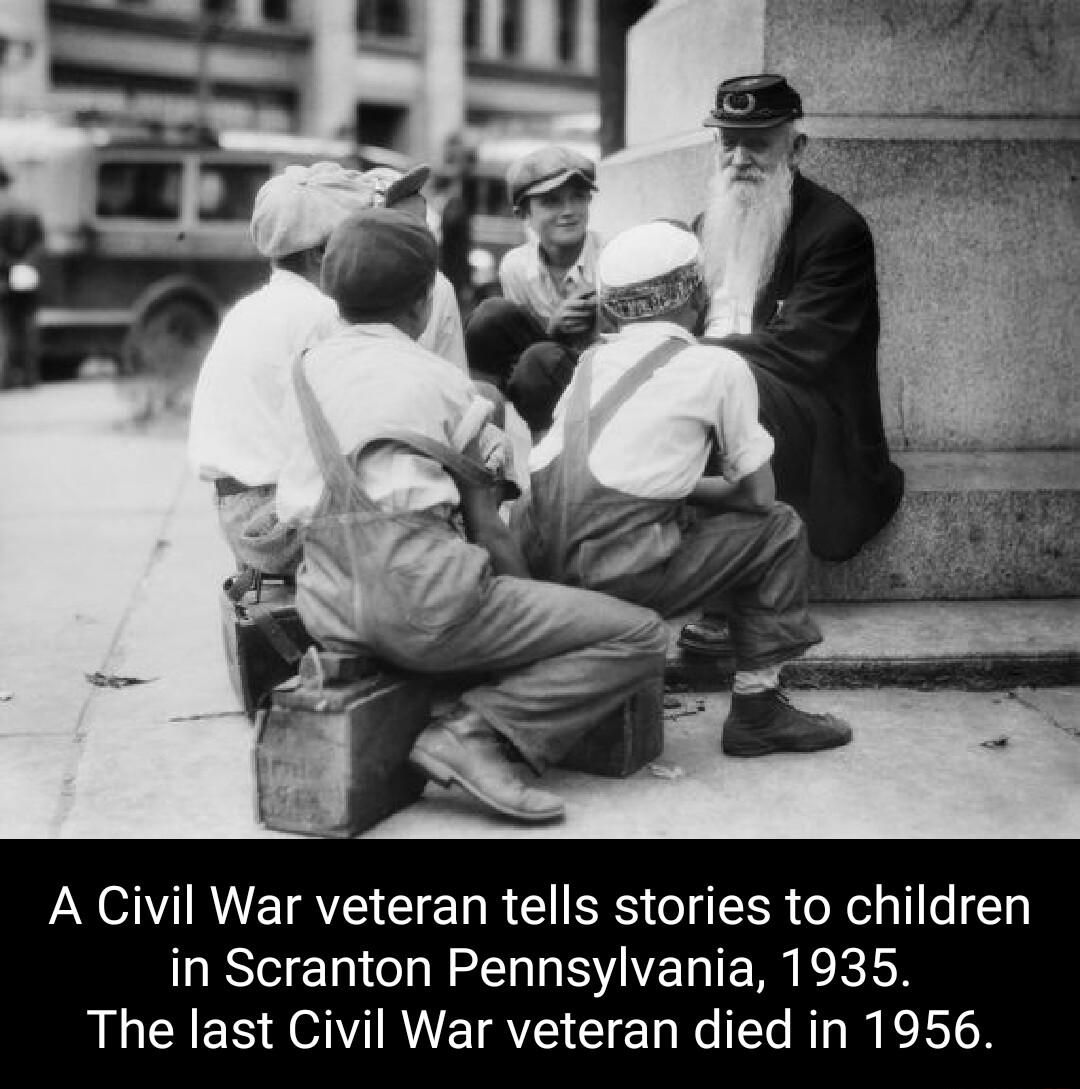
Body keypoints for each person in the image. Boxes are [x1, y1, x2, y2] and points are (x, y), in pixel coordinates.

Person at [275, 207, 669, 823]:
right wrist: (538, 612)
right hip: (425, 606)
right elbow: (488, 528)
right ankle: (473, 735)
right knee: (641, 633)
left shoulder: (301, 374)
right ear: (423, 303)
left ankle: (448, 706)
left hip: (327, 607)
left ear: (333, 296)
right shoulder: (445, 384)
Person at [517, 220, 851, 757]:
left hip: (548, 567)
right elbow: (757, 497)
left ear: (613, 308)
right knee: (781, 528)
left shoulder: (590, 363)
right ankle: (757, 710)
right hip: (620, 577)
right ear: (696, 295)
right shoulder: (717, 366)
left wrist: (676, 486)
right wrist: (691, 487)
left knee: (678, 510)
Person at [680, 73, 904, 656]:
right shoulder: (707, 224)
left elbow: (800, 348)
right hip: (709, 384)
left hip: (808, 412)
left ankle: (729, 598)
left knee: (734, 386)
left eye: (757, 141)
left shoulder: (837, 230)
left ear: (796, 147)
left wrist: (686, 363)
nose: (739, 158)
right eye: (727, 141)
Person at [188, 160, 467, 577]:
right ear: (323, 252)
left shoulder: (252, 308)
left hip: (240, 508)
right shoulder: (321, 316)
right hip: (276, 520)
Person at [464, 145, 603, 436]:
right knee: (490, 315)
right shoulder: (515, 266)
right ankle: (486, 422)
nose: (568, 212)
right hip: (537, 380)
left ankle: (542, 456)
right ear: (523, 213)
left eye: (578, 198)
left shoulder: (611, 257)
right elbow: (517, 355)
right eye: (551, 202)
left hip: (602, 378)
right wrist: (554, 330)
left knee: (541, 359)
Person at [0, 164, 46, 390]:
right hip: (27, 273)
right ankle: (30, 375)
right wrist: (25, 263)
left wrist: (9, 264)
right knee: (27, 324)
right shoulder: (28, 208)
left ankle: (6, 376)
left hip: (4, 274)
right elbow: (40, 243)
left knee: (6, 326)